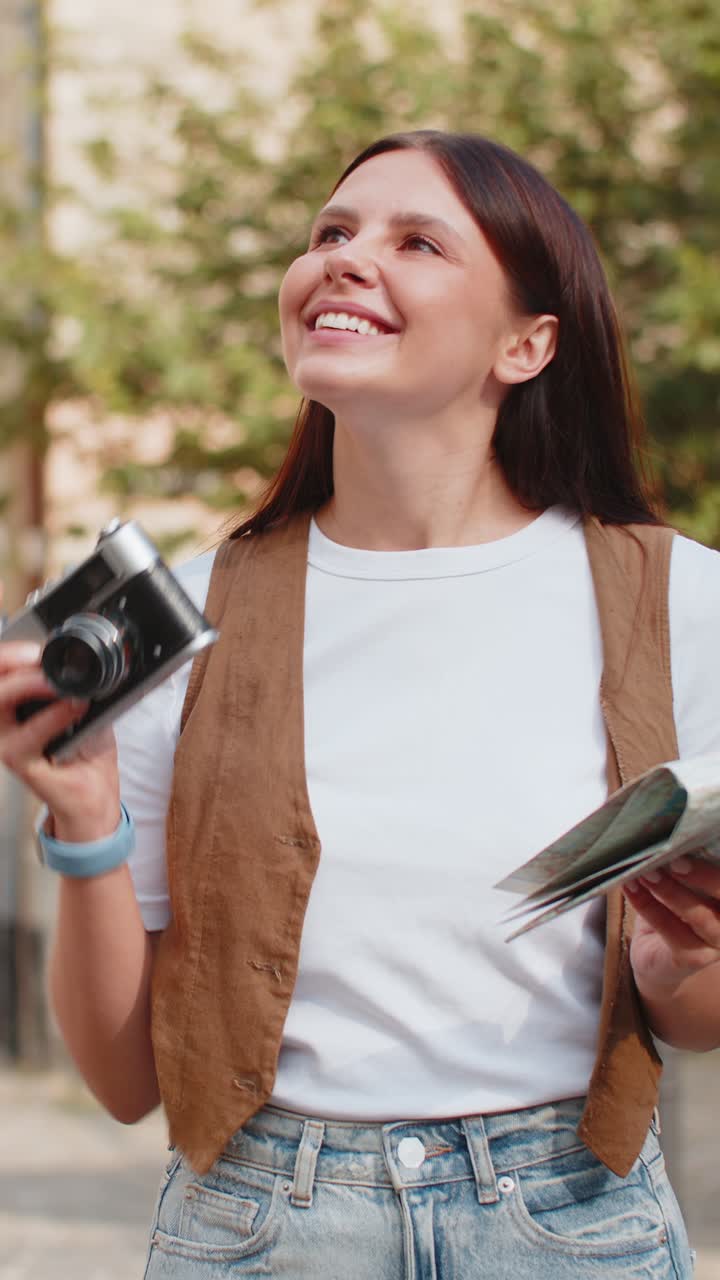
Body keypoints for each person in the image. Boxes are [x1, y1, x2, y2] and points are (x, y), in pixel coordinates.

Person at [1, 130, 719, 1280]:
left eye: (416, 241)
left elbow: (690, 1017)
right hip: (260, 1225)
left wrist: (688, 960)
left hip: (573, 1221)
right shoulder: (179, 617)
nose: (344, 258)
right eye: (331, 232)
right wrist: (83, 818)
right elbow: (127, 1079)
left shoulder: (675, 600)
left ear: (528, 343)